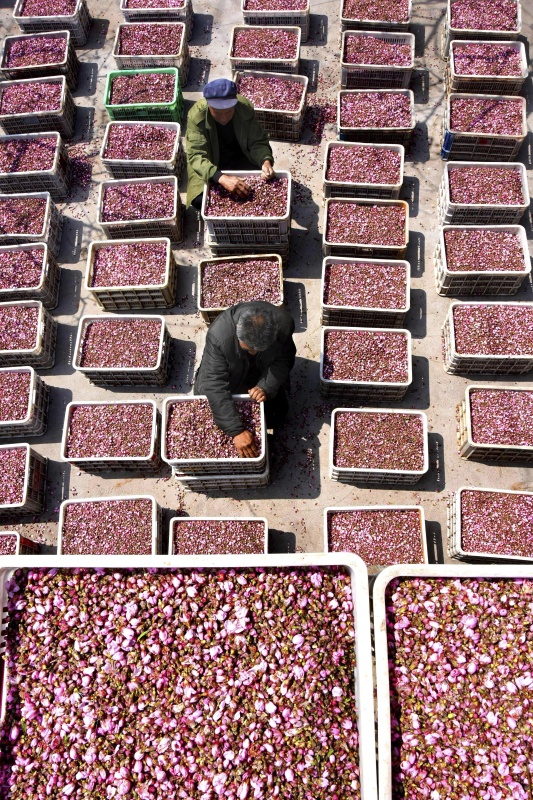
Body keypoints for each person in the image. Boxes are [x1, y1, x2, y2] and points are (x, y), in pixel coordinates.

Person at [194, 302, 296, 458]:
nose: (253, 353)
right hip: (231, 369)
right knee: (206, 395)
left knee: (277, 413)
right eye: (249, 348)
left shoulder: (284, 325)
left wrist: (265, 386)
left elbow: (284, 360)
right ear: (237, 331)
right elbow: (213, 382)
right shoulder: (219, 336)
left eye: (258, 349)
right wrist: (236, 430)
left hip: (261, 367)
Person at [185, 77, 276, 210]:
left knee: (265, 184)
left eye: (228, 112)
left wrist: (265, 161)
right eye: (217, 113)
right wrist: (221, 177)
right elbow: (196, 155)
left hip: (240, 154)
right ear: (209, 106)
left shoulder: (244, 108)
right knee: (201, 199)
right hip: (210, 161)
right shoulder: (196, 116)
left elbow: (257, 141)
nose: (224, 118)